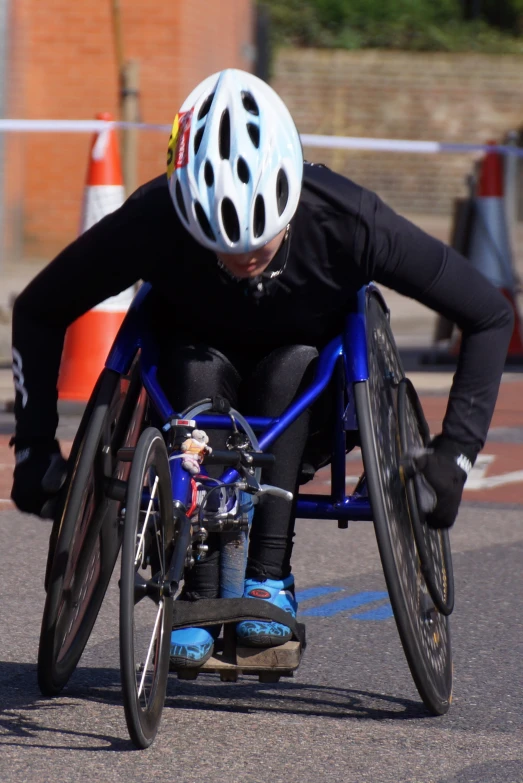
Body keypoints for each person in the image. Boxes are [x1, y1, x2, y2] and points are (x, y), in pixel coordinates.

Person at [11, 69, 513, 667]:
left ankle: (266, 574)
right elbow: (39, 310)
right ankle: (196, 588)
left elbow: (487, 315)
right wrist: (35, 448)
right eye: (220, 246)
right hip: (191, 379)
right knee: (197, 372)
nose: (244, 259)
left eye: (261, 242)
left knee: (290, 369)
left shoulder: (348, 220)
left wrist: (454, 455)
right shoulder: (154, 219)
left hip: (308, 395)